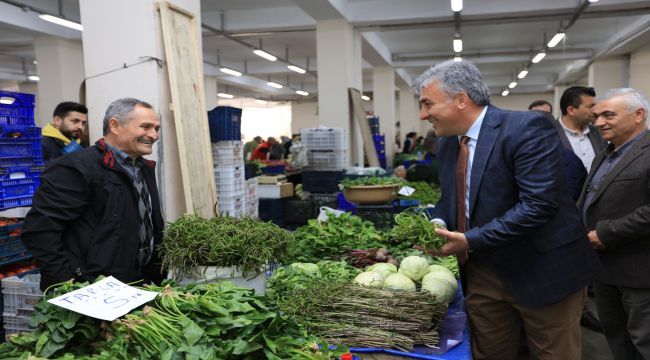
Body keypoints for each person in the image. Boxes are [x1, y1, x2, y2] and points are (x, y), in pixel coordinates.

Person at [414, 60, 599, 359]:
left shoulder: (525, 128)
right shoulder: (448, 143)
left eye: (427, 104)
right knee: (490, 352)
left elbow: (539, 205)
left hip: (542, 270)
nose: (423, 115)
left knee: (554, 352)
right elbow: (451, 199)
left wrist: (470, 239)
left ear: (461, 99)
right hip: (483, 272)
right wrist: (437, 221)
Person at [22, 98, 165, 291]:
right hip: (91, 290)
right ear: (114, 125)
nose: (154, 135)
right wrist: (68, 284)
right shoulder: (75, 167)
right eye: (146, 127)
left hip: (135, 284)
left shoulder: (143, 168)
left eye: (156, 128)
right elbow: (40, 230)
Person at [577, 88, 650, 360]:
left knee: (644, 341)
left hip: (639, 272)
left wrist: (605, 233)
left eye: (608, 115)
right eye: (596, 116)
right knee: (618, 341)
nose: (599, 123)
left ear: (638, 115)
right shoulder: (604, 155)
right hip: (605, 271)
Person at [555, 86, 607, 171]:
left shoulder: (599, 132)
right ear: (571, 110)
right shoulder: (549, 134)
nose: (595, 111)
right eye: (591, 106)